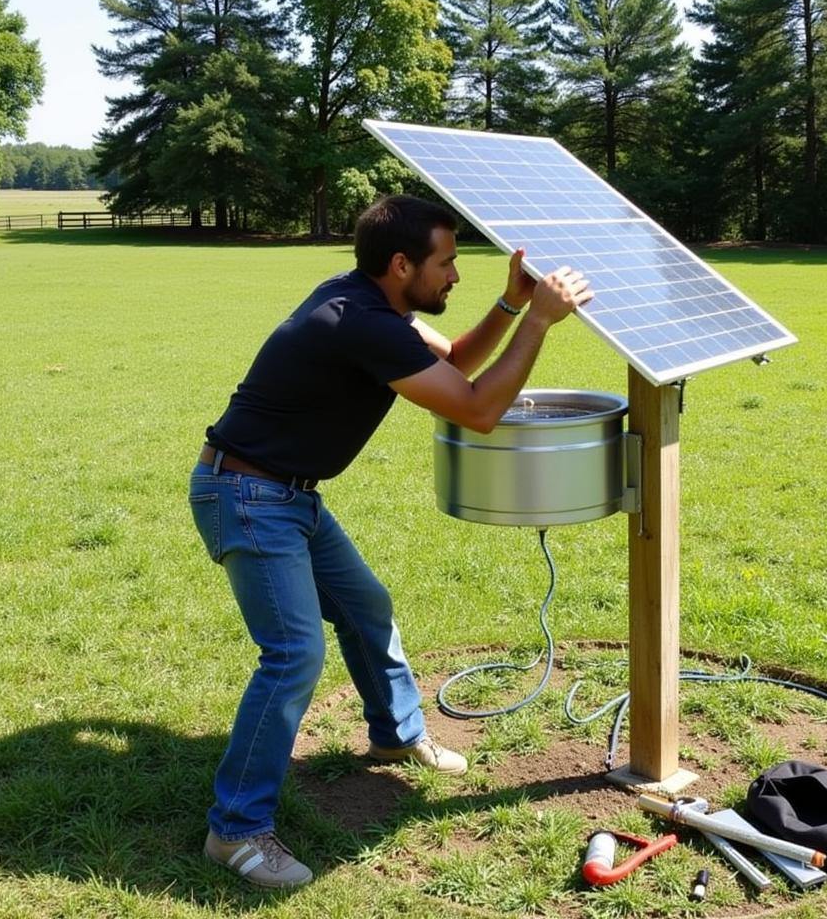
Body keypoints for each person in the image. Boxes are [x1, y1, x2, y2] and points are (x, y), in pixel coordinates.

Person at [189, 195, 592, 889]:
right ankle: (235, 831)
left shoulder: (371, 307)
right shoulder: (359, 323)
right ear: (401, 263)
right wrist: (539, 321)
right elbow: (477, 407)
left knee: (365, 606)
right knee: (292, 656)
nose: (454, 276)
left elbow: (457, 362)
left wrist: (508, 305)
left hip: (286, 494)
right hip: (249, 497)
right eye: (447, 263)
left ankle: (396, 734)